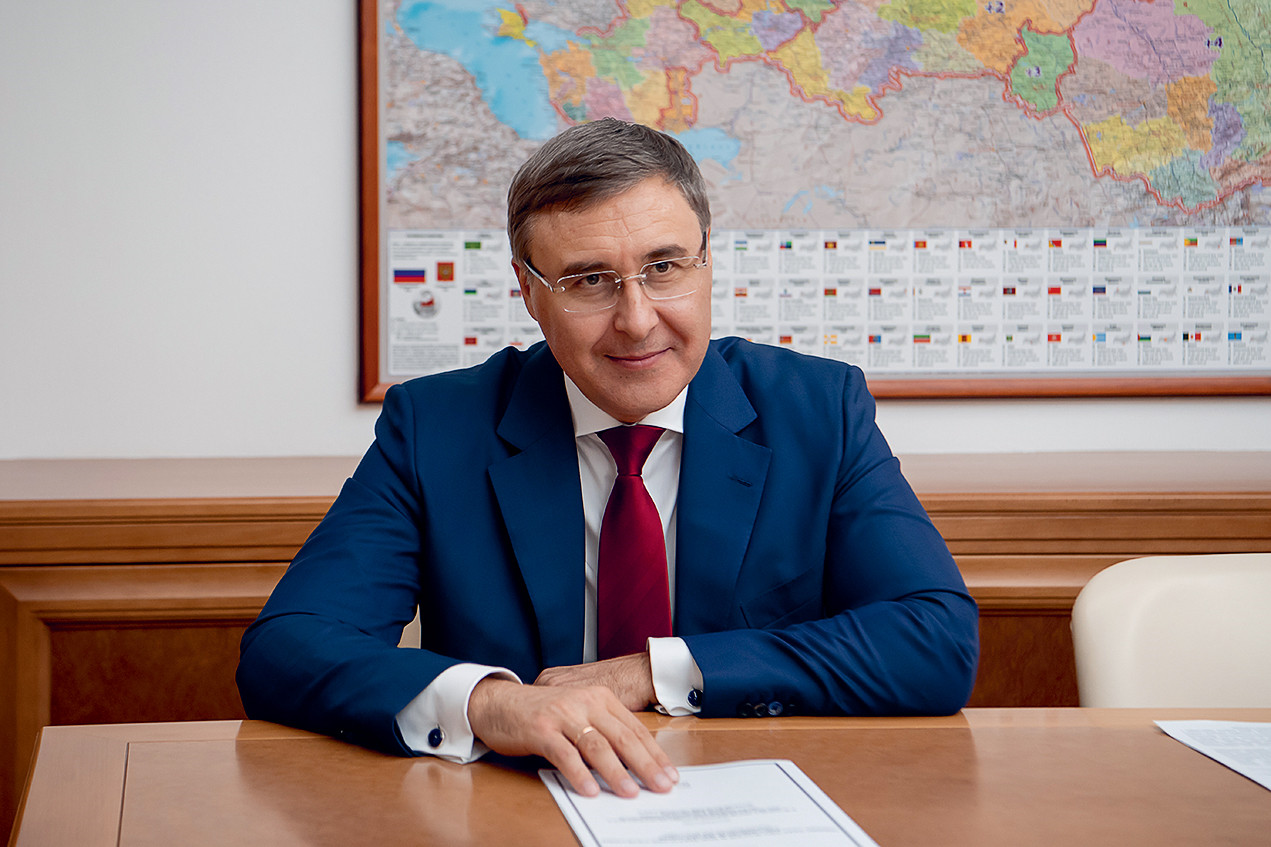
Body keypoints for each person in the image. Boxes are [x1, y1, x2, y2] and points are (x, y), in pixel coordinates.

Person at [237, 118, 979, 799]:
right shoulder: (436, 427)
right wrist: (489, 701)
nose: (636, 319)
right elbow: (287, 648)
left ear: (707, 264)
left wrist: (652, 672)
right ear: (529, 292)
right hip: (518, 807)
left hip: (749, 800)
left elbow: (935, 639)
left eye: (665, 267)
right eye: (589, 280)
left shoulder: (817, 411)